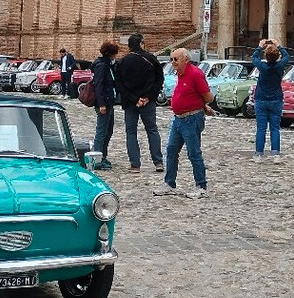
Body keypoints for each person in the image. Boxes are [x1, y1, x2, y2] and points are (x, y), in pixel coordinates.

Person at [153, 48, 213, 199]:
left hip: (191, 118)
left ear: (185, 60)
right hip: (178, 118)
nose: (173, 62)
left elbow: (208, 97)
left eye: (175, 59)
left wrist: (201, 105)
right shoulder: (179, 74)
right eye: (171, 59)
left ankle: (201, 186)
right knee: (171, 150)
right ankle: (169, 183)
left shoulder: (195, 74)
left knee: (194, 153)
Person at [114, 33, 164, 172]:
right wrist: (148, 97)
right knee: (152, 130)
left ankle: (135, 164)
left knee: (131, 132)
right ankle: (158, 162)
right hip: (148, 101)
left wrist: (134, 98)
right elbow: (159, 80)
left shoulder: (123, 62)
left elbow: (119, 84)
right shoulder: (151, 59)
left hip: (130, 102)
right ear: (141, 43)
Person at [251, 38, 289, 163]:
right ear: (277, 56)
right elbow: (286, 56)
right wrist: (279, 46)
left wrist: (259, 46)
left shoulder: (262, 67)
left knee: (261, 129)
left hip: (261, 99)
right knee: (275, 128)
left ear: (266, 56)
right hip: (276, 100)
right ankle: (275, 154)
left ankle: (258, 154)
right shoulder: (279, 66)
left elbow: (254, 58)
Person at [91, 40, 119, 170]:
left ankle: (103, 155)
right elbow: (99, 85)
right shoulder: (101, 66)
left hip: (109, 102)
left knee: (108, 130)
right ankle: (97, 159)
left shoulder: (108, 65)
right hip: (103, 104)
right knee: (101, 132)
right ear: (110, 53)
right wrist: (101, 104)